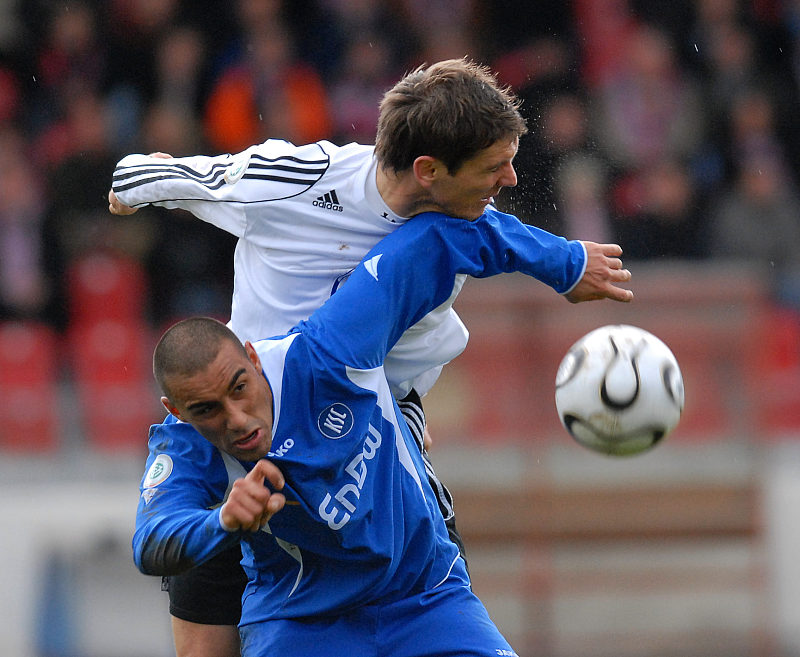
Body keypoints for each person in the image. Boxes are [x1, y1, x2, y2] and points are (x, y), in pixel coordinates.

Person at [111, 57, 631, 656]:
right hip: (288, 588)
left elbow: (460, 237)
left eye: (508, 161)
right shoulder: (296, 183)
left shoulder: (347, 335)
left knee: (419, 540)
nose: (510, 180)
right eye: (494, 167)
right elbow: (152, 537)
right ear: (429, 170)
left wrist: (565, 263)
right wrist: (137, 185)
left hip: (390, 490)